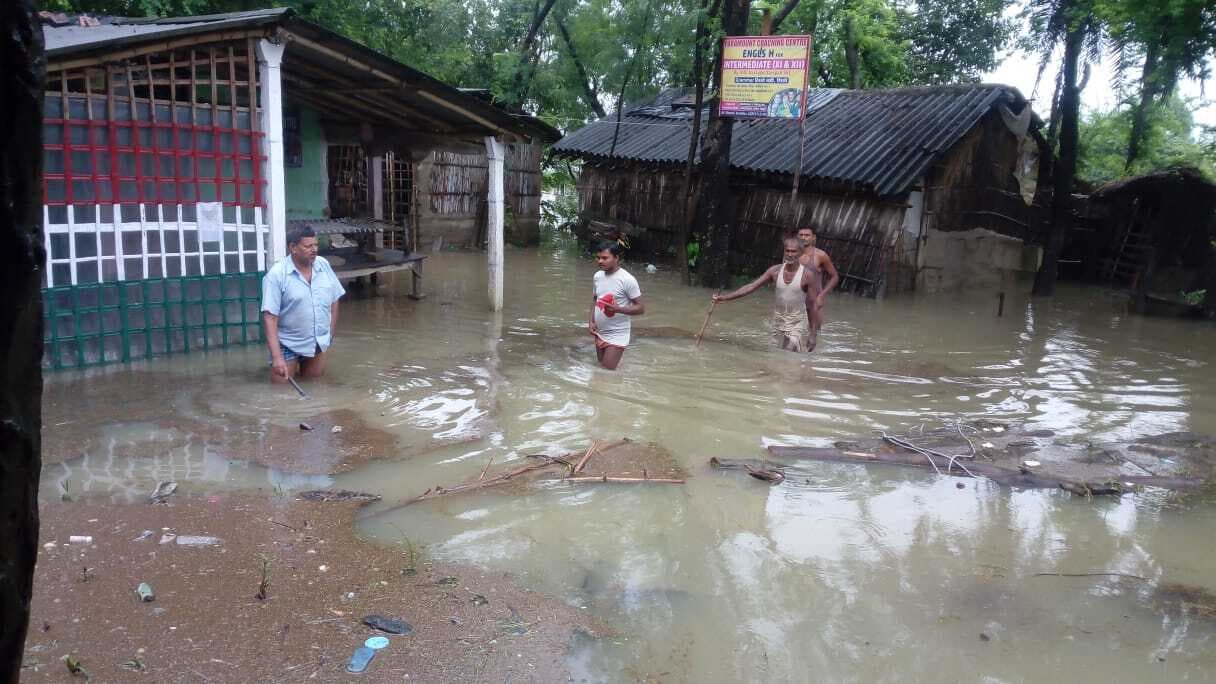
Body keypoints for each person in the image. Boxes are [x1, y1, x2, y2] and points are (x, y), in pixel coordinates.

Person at [261, 225, 346, 383]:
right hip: (287, 344)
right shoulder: (277, 274)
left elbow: (335, 298)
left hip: (318, 342)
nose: (314, 249)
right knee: (281, 393)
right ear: (293, 247)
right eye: (308, 246)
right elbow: (269, 318)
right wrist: (276, 357)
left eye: (316, 245)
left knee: (315, 386)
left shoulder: (323, 265)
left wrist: (330, 333)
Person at [713, 237, 819, 352]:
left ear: (800, 253)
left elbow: (812, 305)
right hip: (778, 319)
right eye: (787, 251)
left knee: (789, 350)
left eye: (793, 251)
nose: (790, 254)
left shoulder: (807, 276)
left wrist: (813, 334)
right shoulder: (775, 271)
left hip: (797, 322)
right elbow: (752, 286)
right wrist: (726, 297)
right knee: (775, 353)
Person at [588, 241, 645, 370]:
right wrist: (591, 321)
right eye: (598, 258)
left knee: (607, 371)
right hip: (600, 331)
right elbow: (595, 300)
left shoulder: (627, 279)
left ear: (616, 258)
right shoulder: (597, 276)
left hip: (617, 334)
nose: (600, 261)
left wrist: (617, 309)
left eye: (604, 258)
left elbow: (641, 308)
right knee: (600, 369)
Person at [796, 226, 839, 333]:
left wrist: (822, 295)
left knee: (815, 333)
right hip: (795, 299)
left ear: (813, 238)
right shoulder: (791, 253)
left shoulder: (821, 255)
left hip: (814, 300)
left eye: (807, 235)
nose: (803, 237)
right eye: (801, 235)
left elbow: (834, 276)